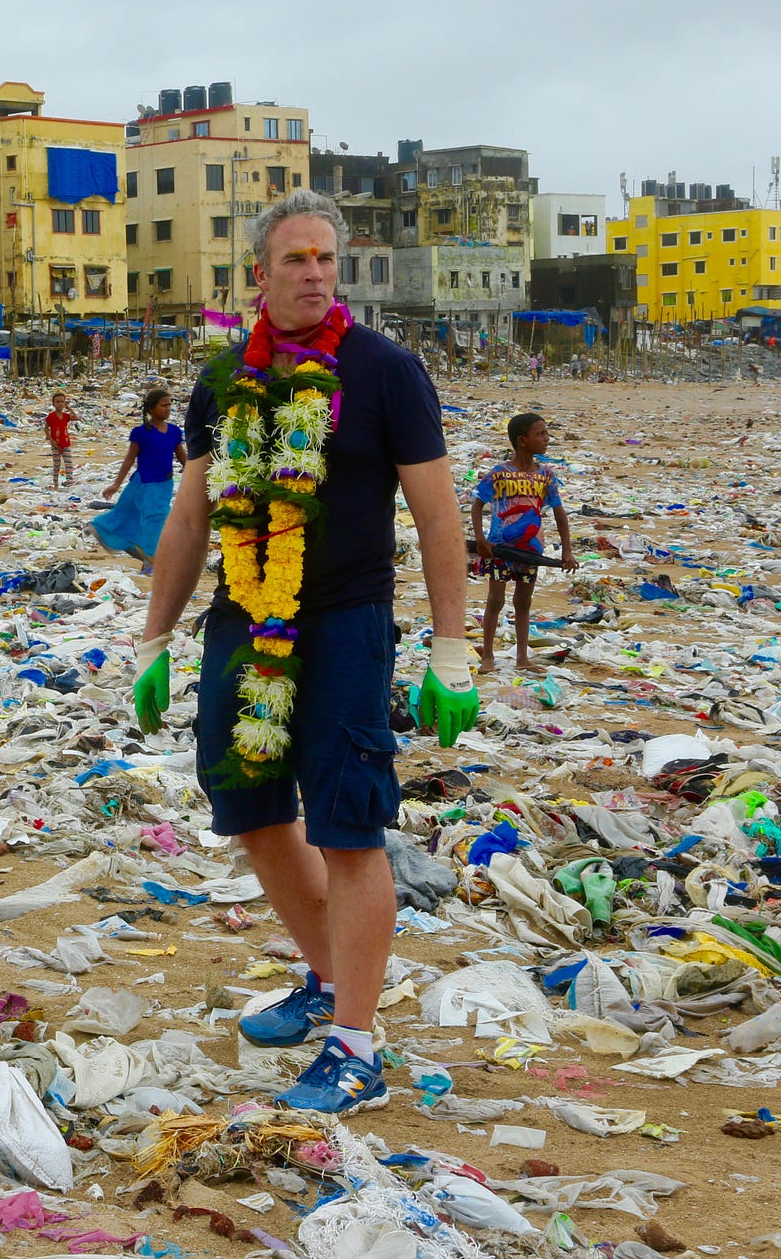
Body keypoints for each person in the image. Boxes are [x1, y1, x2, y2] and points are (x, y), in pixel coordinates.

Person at [131, 189, 478, 1116]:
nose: (316, 273)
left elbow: (438, 514)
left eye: (327, 258)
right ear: (260, 272)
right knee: (246, 804)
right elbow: (191, 514)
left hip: (348, 621)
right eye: (296, 258)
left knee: (350, 821)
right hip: (243, 618)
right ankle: (327, 976)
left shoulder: (385, 371)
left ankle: (356, 1043)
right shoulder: (221, 381)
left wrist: (453, 649)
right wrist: (153, 639)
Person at [470, 412, 577, 673]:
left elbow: (559, 512)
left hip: (530, 550)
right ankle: (488, 657)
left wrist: (567, 550)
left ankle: (522, 658)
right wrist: (481, 539)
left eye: (546, 433)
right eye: (540, 434)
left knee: (524, 602)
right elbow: (477, 505)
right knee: (495, 600)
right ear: (522, 441)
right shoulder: (499, 474)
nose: (546, 439)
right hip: (499, 549)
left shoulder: (546, 476)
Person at [93, 387, 185, 574]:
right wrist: (116, 484)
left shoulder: (174, 432)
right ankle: (151, 562)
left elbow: (184, 459)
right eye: (163, 405)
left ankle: (148, 559)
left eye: (169, 405)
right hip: (145, 484)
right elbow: (129, 459)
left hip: (164, 485)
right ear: (151, 409)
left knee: (152, 522)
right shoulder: (141, 433)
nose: (167, 409)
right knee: (152, 521)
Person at [44, 391, 80, 490]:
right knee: (56, 465)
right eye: (58, 402)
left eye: (62, 402)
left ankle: (69, 482)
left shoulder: (65, 416)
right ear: (54, 404)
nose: (60, 404)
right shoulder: (51, 416)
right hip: (55, 445)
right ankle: (56, 485)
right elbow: (46, 428)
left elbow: (76, 418)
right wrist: (50, 439)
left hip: (66, 443)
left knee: (68, 464)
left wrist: (69, 408)